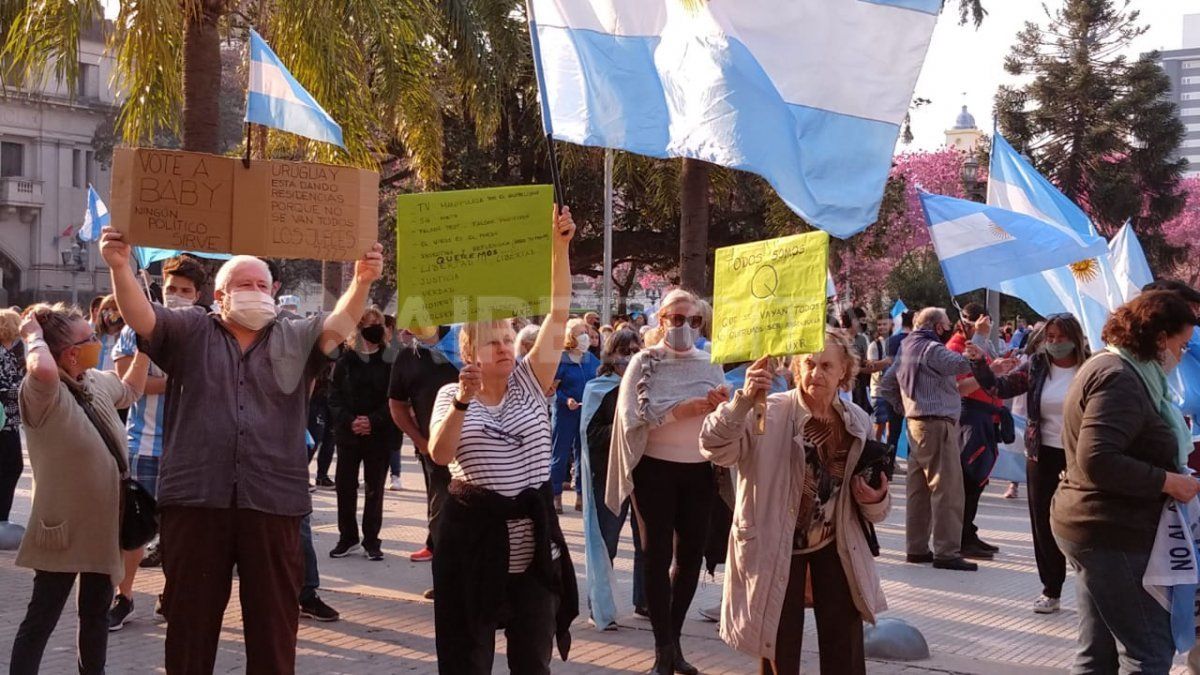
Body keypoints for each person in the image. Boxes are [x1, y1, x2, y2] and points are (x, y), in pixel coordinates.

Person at [99, 226, 382, 674]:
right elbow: (142, 318)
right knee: (190, 627)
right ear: (219, 294)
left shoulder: (296, 335)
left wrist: (362, 280)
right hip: (197, 500)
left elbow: (338, 326)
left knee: (273, 629)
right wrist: (119, 266)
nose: (254, 292)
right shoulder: (191, 328)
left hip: (272, 502)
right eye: (243, 285)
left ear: (274, 291)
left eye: (261, 285)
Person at [428, 207, 579, 674]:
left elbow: (558, 311)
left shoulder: (532, 380)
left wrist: (559, 249)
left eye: (509, 337)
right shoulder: (451, 393)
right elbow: (439, 453)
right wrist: (463, 403)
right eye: (493, 341)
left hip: (532, 550)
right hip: (473, 547)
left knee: (533, 659)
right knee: (468, 658)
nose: (505, 347)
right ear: (470, 351)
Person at [700, 331, 889, 675]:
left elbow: (870, 505)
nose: (817, 373)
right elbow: (713, 445)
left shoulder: (857, 421)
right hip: (776, 545)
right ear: (796, 369)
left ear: (844, 370)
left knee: (844, 643)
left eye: (827, 366)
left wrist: (876, 498)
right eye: (809, 364)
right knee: (778, 646)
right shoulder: (766, 412)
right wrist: (741, 401)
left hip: (836, 544)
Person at [1051, 291, 1199, 672]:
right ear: (1160, 338)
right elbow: (1098, 459)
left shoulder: (1118, 367)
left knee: (1097, 654)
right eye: (1182, 345)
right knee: (1147, 651)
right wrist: (1168, 481)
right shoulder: (1119, 378)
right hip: (1109, 532)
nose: (1182, 355)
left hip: (1094, 527)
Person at [10, 304, 148, 674]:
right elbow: (41, 367)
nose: (96, 343)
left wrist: (145, 351)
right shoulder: (41, 391)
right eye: (88, 339)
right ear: (69, 352)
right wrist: (33, 336)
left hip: (104, 527)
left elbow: (132, 390)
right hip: (62, 530)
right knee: (42, 618)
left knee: (95, 616)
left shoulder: (95, 381)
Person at [606, 288, 728, 674]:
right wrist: (680, 411)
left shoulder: (711, 363)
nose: (684, 327)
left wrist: (727, 406)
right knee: (656, 555)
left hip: (699, 471)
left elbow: (723, 422)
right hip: (654, 470)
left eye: (692, 320)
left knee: (690, 558)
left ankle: (671, 644)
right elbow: (630, 417)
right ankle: (662, 649)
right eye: (676, 319)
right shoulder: (644, 362)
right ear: (661, 321)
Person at [106, 255, 209, 631]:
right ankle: (125, 596)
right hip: (145, 445)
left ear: (198, 295)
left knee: (182, 532)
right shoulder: (136, 328)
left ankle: (171, 596)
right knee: (134, 530)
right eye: (171, 289)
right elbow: (126, 387)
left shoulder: (206, 330)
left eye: (185, 290)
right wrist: (179, 381)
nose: (177, 296)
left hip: (191, 448)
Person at [964, 313, 1088, 615]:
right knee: (1043, 522)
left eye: (1061, 337)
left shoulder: (1090, 368)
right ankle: (1051, 589)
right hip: (1042, 454)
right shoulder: (1036, 365)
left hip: (1081, 455)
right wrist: (980, 362)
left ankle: (1091, 588)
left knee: (1084, 522)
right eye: (1050, 337)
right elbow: (1000, 388)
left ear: (1075, 338)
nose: (1056, 343)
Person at [878, 307, 976, 571]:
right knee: (948, 489)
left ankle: (917, 548)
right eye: (946, 324)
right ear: (938, 327)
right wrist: (977, 339)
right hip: (936, 424)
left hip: (915, 425)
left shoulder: (907, 346)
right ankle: (947, 551)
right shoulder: (931, 348)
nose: (948, 329)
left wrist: (906, 408)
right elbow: (961, 364)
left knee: (919, 489)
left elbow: (886, 384)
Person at [580, 328, 647, 628]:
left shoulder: (647, 386)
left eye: (636, 349)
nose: (630, 356)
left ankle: (645, 601)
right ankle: (601, 605)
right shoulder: (598, 388)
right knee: (606, 541)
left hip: (643, 475)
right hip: (608, 476)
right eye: (624, 350)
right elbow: (591, 436)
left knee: (646, 541)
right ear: (611, 354)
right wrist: (627, 430)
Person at [389, 325, 460, 575]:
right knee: (441, 515)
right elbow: (397, 405)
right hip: (435, 453)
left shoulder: (467, 344)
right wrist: (421, 442)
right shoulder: (408, 356)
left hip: (478, 452)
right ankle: (445, 583)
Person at [328, 307, 398, 561]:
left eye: (377, 323)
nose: (373, 327)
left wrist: (373, 420)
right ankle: (347, 537)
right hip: (348, 434)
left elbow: (394, 397)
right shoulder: (345, 359)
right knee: (345, 487)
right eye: (367, 323)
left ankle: (372, 541)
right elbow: (333, 396)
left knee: (374, 488)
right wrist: (350, 421)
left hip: (378, 434)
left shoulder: (390, 359)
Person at [945, 302, 1010, 559]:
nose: (986, 328)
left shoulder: (978, 347)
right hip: (970, 417)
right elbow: (961, 386)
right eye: (982, 324)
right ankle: (960, 537)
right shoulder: (956, 349)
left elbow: (988, 374)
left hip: (987, 418)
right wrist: (989, 370)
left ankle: (968, 532)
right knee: (969, 478)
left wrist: (1001, 368)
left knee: (979, 478)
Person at [552, 317, 601, 512]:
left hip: (586, 413)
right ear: (570, 335)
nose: (586, 337)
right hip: (565, 413)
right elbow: (552, 389)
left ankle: (581, 494)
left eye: (587, 334)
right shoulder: (560, 359)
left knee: (583, 454)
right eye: (581, 333)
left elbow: (599, 383)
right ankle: (556, 495)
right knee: (560, 454)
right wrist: (566, 400)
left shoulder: (592, 359)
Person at [0, 308, 24, 531]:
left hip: (8, 421)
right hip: (4, 422)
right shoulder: (3, 355)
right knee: (12, 465)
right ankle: (1, 518)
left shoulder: (9, 354)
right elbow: (8, 387)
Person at [865, 314, 894, 441]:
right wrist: (886, 362)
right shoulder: (874, 345)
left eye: (884, 324)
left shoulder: (896, 341)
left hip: (894, 391)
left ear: (891, 324)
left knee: (892, 427)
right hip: (879, 391)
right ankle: (875, 454)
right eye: (879, 324)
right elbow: (871, 367)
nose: (881, 327)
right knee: (879, 425)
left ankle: (888, 455)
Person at [92, 295, 123, 372]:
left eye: (115, 309)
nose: (109, 313)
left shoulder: (127, 338)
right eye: (106, 309)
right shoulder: (95, 338)